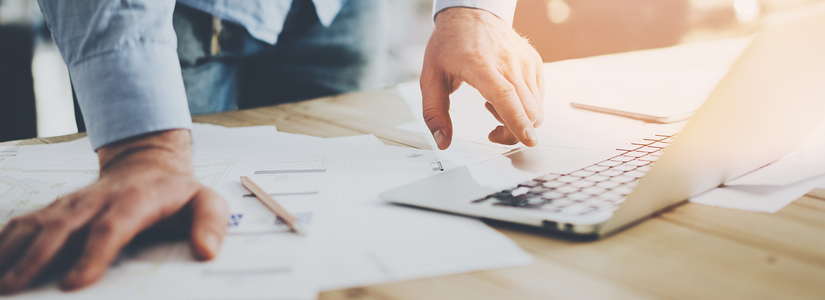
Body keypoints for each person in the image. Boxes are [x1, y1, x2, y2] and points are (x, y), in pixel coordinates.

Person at [0, 0, 544, 293]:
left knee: (338, 230)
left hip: (341, 11)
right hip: (176, 16)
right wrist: (142, 150)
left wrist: (474, 8)